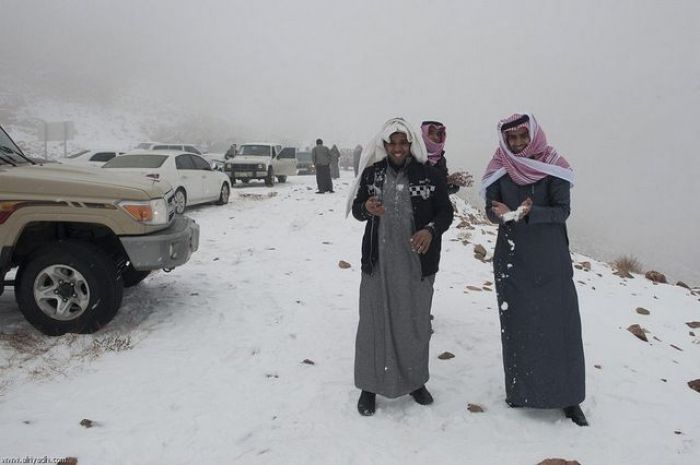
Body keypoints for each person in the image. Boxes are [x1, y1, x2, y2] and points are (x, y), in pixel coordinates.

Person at [481, 113, 588, 427]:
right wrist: (500, 214)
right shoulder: (499, 167)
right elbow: (492, 209)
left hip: (550, 257)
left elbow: (562, 211)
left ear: (533, 136)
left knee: (561, 326)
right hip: (513, 259)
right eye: (511, 138)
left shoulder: (554, 165)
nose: (516, 144)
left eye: (521, 137)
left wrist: (529, 213)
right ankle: (521, 392)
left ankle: (569, 399)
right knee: (519, 326)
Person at [347, 117, 454, 416]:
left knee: (415, 323)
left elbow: (446, 211)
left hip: (415, 263)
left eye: (402, 143)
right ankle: (369, 387)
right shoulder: (371, 174)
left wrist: (430, 230)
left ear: (410, 145)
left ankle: (415, 381)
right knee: (372, 322)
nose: (397, 148)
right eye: (392, 143)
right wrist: (366, 209)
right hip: (378, 261)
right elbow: (357, 209)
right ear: (385, 145)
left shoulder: (429, 175)